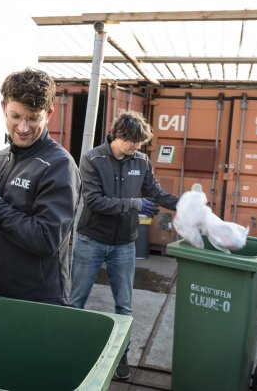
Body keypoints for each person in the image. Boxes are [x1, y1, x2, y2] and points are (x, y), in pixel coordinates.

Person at [70, 111, 178, 380]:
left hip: (124, 245)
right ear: (119, 136)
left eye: (141, 143)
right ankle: (68, 353)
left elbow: (154, 191)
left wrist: (182, 204)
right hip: (91, 240)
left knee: (124, 306)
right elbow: (93, 201)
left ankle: (121, 357)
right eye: (134, 142)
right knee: (76, 301)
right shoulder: (91, 159)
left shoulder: (140, 161)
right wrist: (134, 204)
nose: (138, 147)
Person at [0, 68, 81, 306]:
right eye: (16, 116)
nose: (22, 127)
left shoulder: (58, 165)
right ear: (3, 108)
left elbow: (46, 238)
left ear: (48, 114)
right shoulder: (1, 159)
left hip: (36, 299)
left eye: (32, 118)